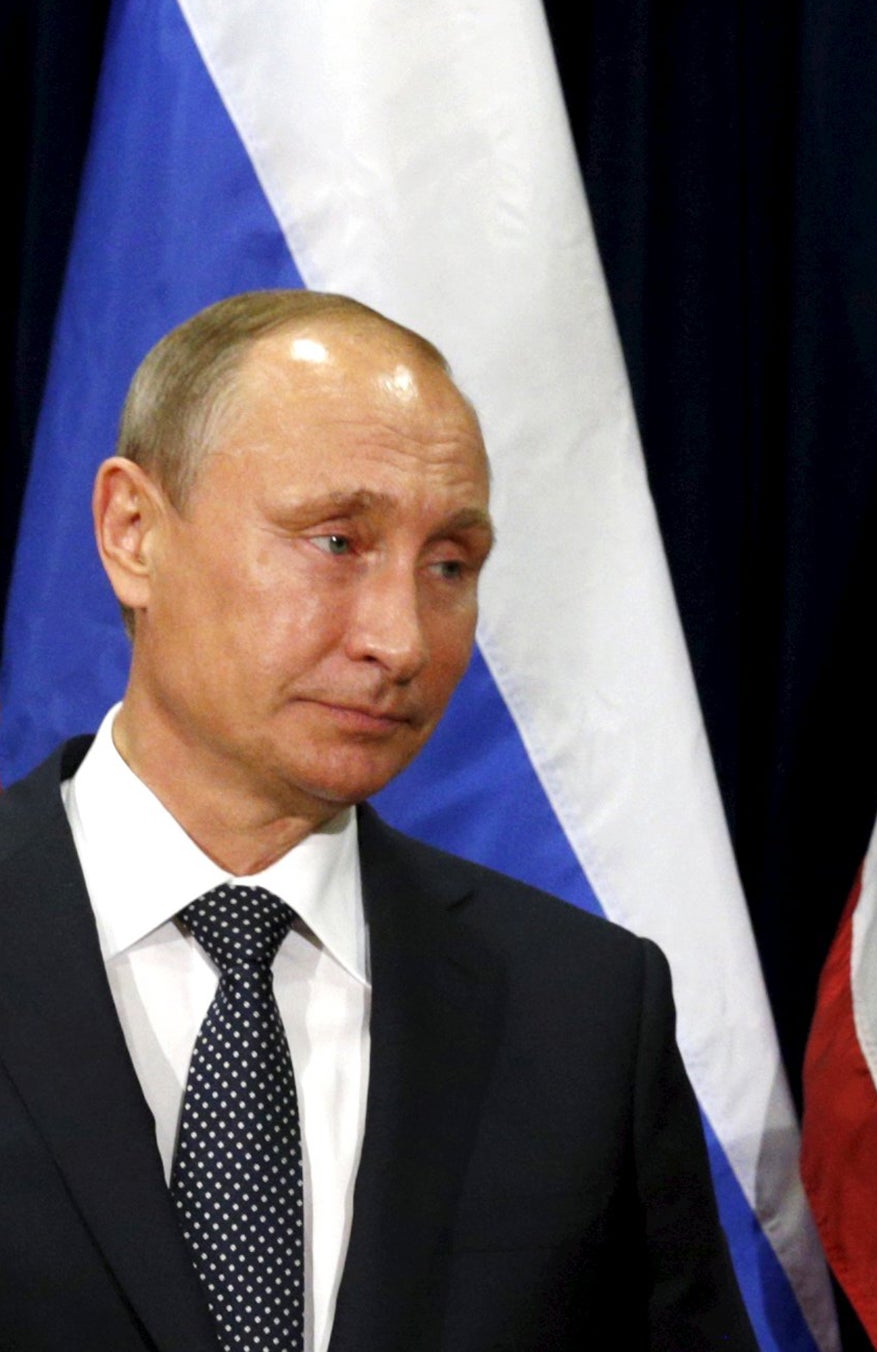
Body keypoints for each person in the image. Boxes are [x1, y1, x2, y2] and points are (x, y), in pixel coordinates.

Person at [0, 290, 757, 1351]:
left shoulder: (582, 1013)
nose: (401, 639)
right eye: (336, 541)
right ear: (134, 533)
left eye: (449, 565)